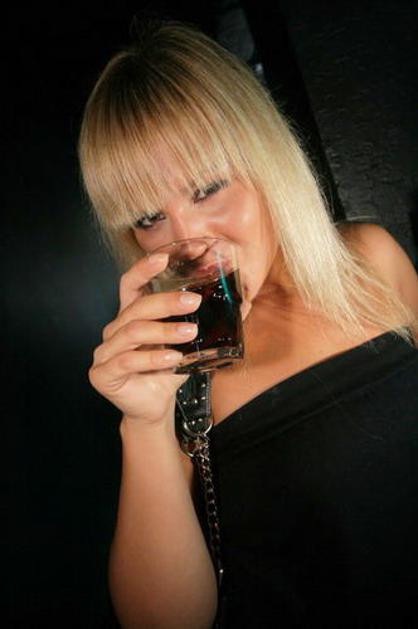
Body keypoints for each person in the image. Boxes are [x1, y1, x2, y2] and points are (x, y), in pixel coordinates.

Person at [78, 18, 418, 629]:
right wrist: (144, 423)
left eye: (208, 187)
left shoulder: (372, 259)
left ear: (265, 161)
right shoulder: (175, 372)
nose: (188, 240)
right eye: (150, 217)